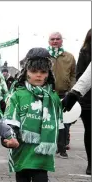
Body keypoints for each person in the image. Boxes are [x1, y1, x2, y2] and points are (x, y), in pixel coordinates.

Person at [4, 48, 64, 182]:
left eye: (43, 72)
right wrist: (11, 137)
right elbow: (10, 120)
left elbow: (59, 122)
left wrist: (60, 143)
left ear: (48, 74)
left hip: (42, 150)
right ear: (26, 72)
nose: (38, 75)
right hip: (22, 148)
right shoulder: (18, 95)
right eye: (34, 71)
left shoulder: (53, 97)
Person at [63, 29, 91, 175]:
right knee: (90, 130)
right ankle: (91, 163)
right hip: (87, 98)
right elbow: (82, 74)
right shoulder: (85, 52)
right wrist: (75, 93)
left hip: (82, 94)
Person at [48, 31, 76, 159]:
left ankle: (62, 148)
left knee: (64, 123)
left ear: (61, 40)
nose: (55, 41)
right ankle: (50, 146)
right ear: (49, 41)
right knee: (49, 121)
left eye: (57, 39)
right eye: (52, 39)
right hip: (48, 93)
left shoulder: (69, 57)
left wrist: (72, 91)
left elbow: (73, 75)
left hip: (64, 94)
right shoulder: (45, 56)